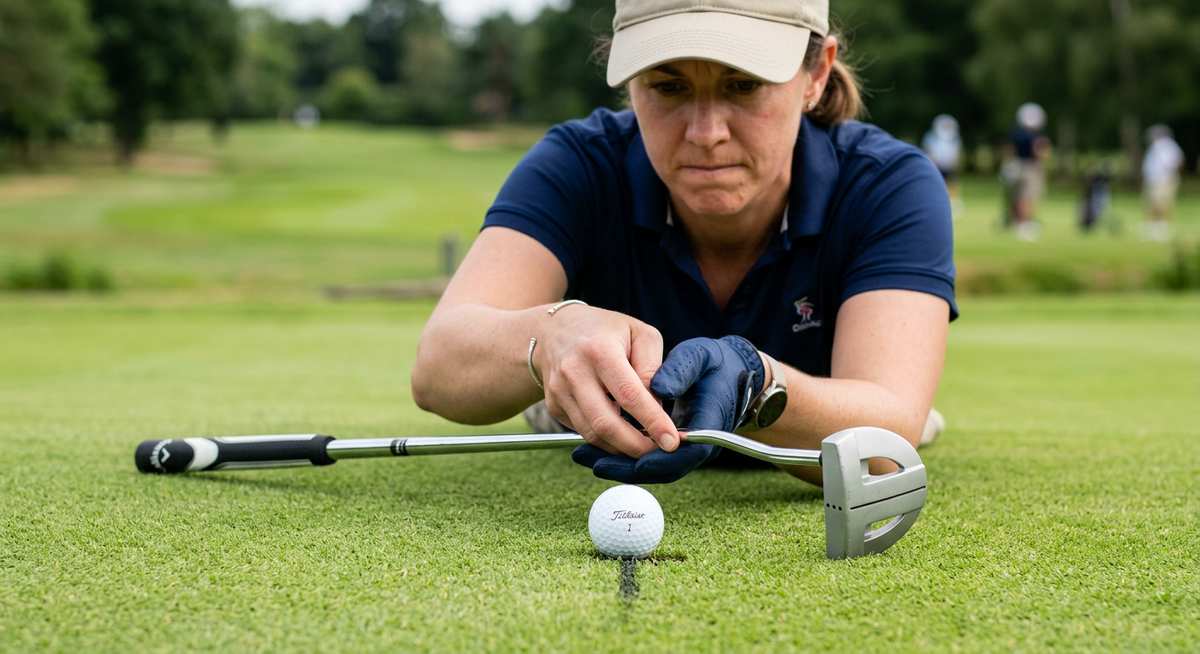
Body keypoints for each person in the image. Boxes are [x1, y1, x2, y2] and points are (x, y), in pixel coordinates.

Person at [412, 0, 956, 487]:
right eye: (668, 87)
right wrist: (547, 337)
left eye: (743, 84)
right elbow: (438, 368)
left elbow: (888, 444)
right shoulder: (577, 164)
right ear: (629, 85)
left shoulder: (890, 183)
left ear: (815, 73)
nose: (705, 132)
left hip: (805, 432)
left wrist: (758, 385)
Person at [1006, 102, 1051, 241]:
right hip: (1031, 168)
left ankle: (1018, 222)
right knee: (1027, 198)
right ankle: (1024, 224)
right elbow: (1041, 153)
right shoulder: (1036, 137)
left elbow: (1009, 151)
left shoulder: (1016, 134)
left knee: (1018, 197)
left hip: (1016, 166)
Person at [1141, 124, 1184, 242]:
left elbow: (1174, 162)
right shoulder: (1155, 146)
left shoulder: (1167, 146)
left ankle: (1162, 230)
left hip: (1163, 180)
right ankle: (1153, 230)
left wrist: (1168, 177)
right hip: (1154, 180)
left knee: (1162, 204)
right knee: (1152, 204)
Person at [922, 114, 964, 217]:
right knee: (938, 184)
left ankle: (953, 203)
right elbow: (929, 150)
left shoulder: (953, 137)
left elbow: (956, 152)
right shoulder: (931, 137)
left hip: (949, 165)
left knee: (952, 184)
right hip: (937, 165)